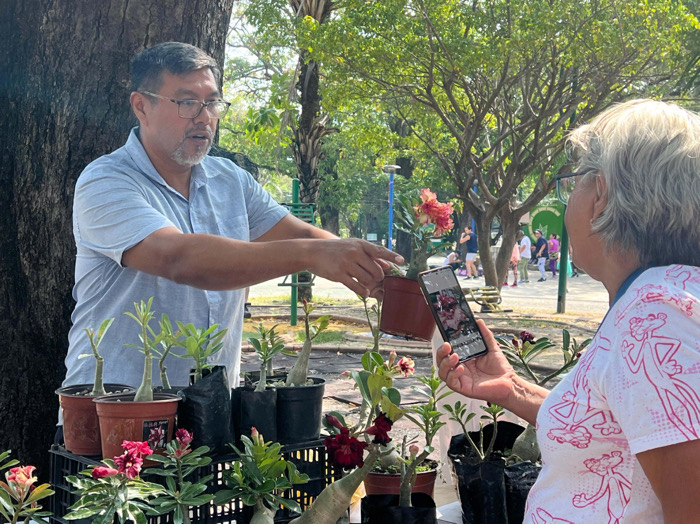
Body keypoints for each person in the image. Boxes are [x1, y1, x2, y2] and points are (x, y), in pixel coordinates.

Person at [60, 42, 402, 400]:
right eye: (187, 102)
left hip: (211, 413)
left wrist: (373, 267)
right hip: (114, 412)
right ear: (141, 105)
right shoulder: (106, 181)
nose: (204, 116)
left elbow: (299, 233)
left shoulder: (230, 180)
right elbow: (179, 258)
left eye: (212, 102)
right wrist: (310, 255)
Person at [437, 99, 700, 522]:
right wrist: (510, 388)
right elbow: (611, 428)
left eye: (572, 182)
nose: (565, 203)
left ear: (602, 195)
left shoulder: (656, 318)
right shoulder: (654, 302)